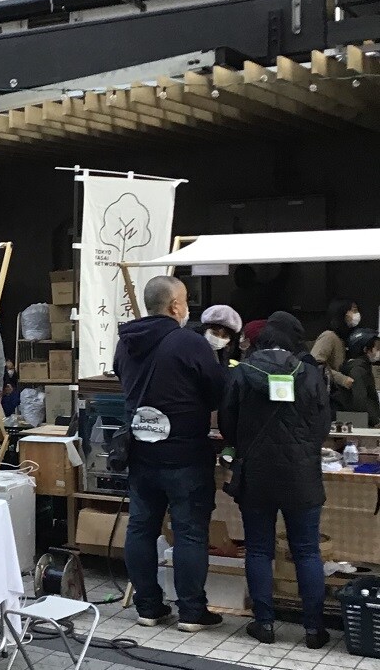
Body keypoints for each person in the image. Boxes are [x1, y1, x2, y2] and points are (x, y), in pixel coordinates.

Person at [114, 276, 226, 632]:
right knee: (190, 532)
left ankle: (148, 607)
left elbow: (122, 380)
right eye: (186, 300)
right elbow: (217, 391)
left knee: (141, 528)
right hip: (185, 453)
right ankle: (192, 611)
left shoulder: (125, 342)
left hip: (140, 453)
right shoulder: (189, 343)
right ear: (175, 306)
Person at [219, 326, 330, 648]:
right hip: (302, 476)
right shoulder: (309, 375)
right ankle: (313, 630)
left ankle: (264, 624)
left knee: (258, 549)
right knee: (307, 551)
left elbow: (228, 423)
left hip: (256, 475)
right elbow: (322, 424)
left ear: (258, 345)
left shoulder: (241, 375)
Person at [333, 327, 380, 427]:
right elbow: (361, 401)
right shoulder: (358, 370)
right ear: (366, 349)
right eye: (377, 348)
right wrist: (375, 421)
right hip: (361, 424)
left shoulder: (359, 367)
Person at [311, 298, 360, 393]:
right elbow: (315, 365)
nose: (357, 314)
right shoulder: (329, 336)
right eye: (353, 310)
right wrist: (342, 379)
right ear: (343, 312)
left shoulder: (341, 339)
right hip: (327, 394)